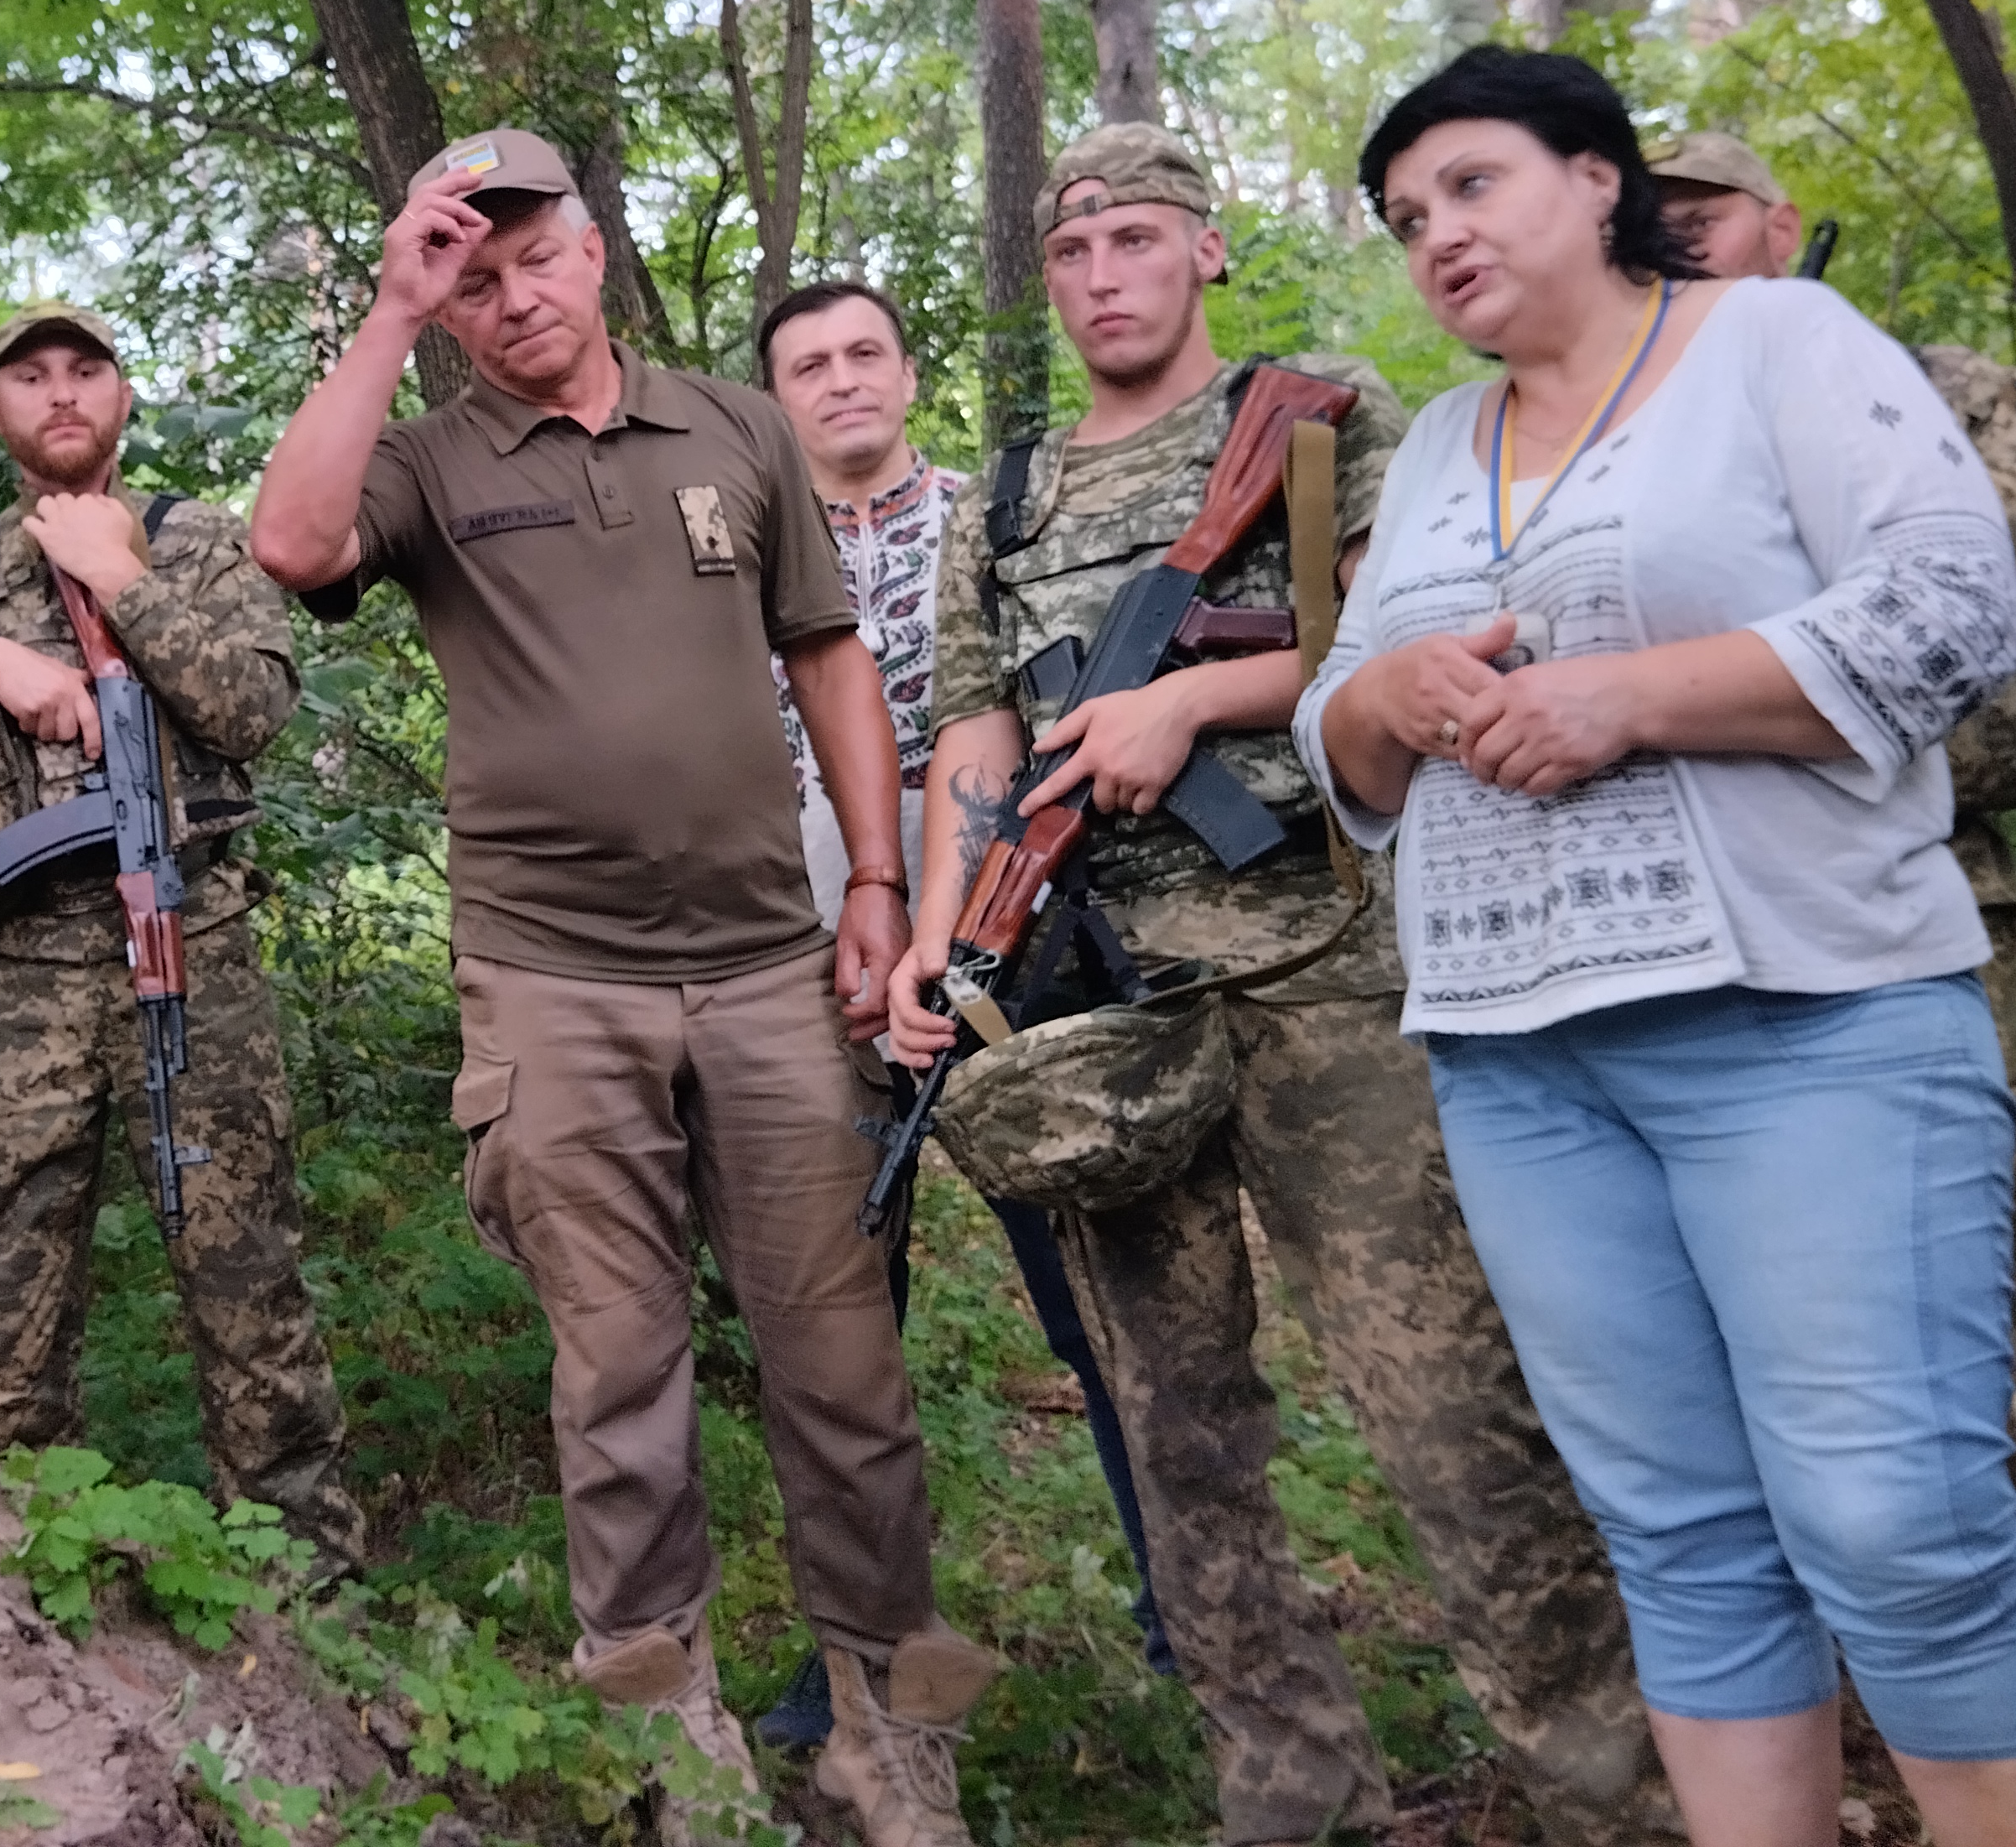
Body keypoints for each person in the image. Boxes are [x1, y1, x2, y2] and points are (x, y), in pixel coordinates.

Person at [1305, 48, 2016, 1847]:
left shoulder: (1777, 347)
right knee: (1680, 1536)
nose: (1439, 236)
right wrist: (1391, 699)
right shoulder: (1429, 445)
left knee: (1897, 1527)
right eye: (1410, 219)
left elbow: (1954, 606)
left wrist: (1627, 699)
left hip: (1810, 1020)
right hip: (1519, 1066)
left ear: (1595, 179)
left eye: (1473, 185)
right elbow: (1336, 730)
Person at [884, 123, 1653, 1847]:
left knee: (1447, 1407)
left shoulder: (1323, 418)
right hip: (1104, 1006)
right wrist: (944, 928)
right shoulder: (1003, 495)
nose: (1104, 277)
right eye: (1074, 253)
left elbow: (1429, 625)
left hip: (1327, 976)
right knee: (1179, 1434)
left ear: (1207, 250)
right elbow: (974, 730)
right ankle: (1294, 1792)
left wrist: (1194, 710)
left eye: (1138, 241)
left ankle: (1605, 1787)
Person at [252, 131, 995, 1847]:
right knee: (618, 1378)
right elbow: (292, 548)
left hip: (765, 968)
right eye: (475, 273)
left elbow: (825, 653)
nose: (513, 297)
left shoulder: (736, 429)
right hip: (552, 984)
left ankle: (895, 1738)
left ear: (596, 254)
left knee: (844, 1367)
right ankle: (674, 1752)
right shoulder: (428, 458)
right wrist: (386, 312)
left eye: (537, 258)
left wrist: (874, 883)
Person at [0, 304, 363, 1569]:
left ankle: (303, 1579)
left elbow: (253, 707)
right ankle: (30, 1568)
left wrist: (124, 583)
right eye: (30, 376)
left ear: (123, 395)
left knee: (247, 1282)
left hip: (192, 950)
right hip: (15, 980)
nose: (61, 395)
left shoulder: (191, 542)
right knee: (10, 1295)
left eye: (87, 370)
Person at [751, 278, 1173, 1752]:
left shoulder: (999, 524)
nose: (842, 379)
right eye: (808, 363)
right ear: (776, 398)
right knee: (837, 1321)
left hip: (1020, 942)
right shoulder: (739, 548)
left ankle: (1186, 1610)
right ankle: (852, 1648)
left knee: (1095, 1290)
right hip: (804, 963)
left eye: (866, 351)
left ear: (909, 372)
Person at [1649, 127, 2016, 1537]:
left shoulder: (1940, 386)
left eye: (1706, 214)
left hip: (1933, 887)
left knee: (1954, 1246)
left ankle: (1978, 1532)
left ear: (1782, 224)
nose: (1680, 235)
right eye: (1656, 218)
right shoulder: (1622, 413)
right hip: (1719, 890)